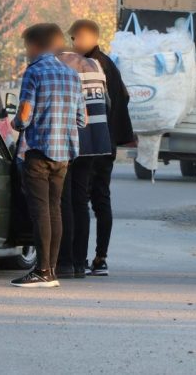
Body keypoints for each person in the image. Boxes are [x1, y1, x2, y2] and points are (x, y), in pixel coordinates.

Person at [11, 23, 87, 288]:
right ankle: (51, 269)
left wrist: (17, 125)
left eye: (26, 47)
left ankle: (41, 270)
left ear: (35, 45)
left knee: (40, 211)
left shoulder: (34, 72)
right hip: (64, 154)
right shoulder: (71, 74)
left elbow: (24, 114)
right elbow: (82, 119)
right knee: (55, 209)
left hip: (38, 152)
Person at [67, 19, 132, 276]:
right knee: (102, 200)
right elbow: (123, 98)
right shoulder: (110, 64)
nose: (72, 45)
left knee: (81, 200)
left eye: (74, 39)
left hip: (91, 142)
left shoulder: (89, 66)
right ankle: (100, 257)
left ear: (84, 38)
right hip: (108, 143)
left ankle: (79, 258)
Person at [53, 28, 113, 280]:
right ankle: (79, 262)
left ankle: (64, 261)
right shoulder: (95, 65)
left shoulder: (59, 66)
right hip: (96, 140)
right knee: (81, 200)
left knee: (63, 199)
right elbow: (107, 103)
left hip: (72, 137)